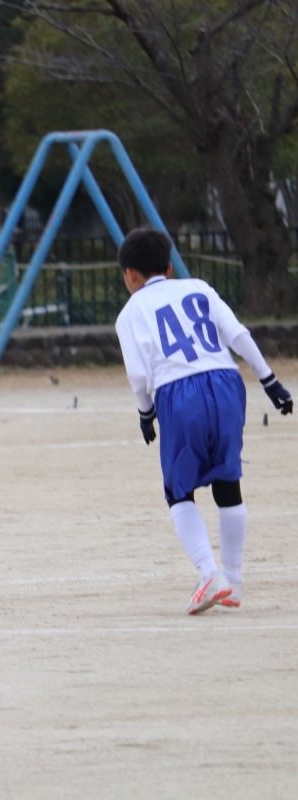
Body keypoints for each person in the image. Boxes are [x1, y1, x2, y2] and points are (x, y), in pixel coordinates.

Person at [114, 227, 292, 614]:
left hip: (179, 392)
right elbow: (237, 335)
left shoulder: (129, 313)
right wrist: (270, 381)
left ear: (129, 274)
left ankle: (210, 573)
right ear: (168, 268)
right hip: (226, 383)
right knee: (228, 482)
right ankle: (234, 580)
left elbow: (138, 376)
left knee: (178, 491)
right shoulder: (199, 288)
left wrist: (146, 413)